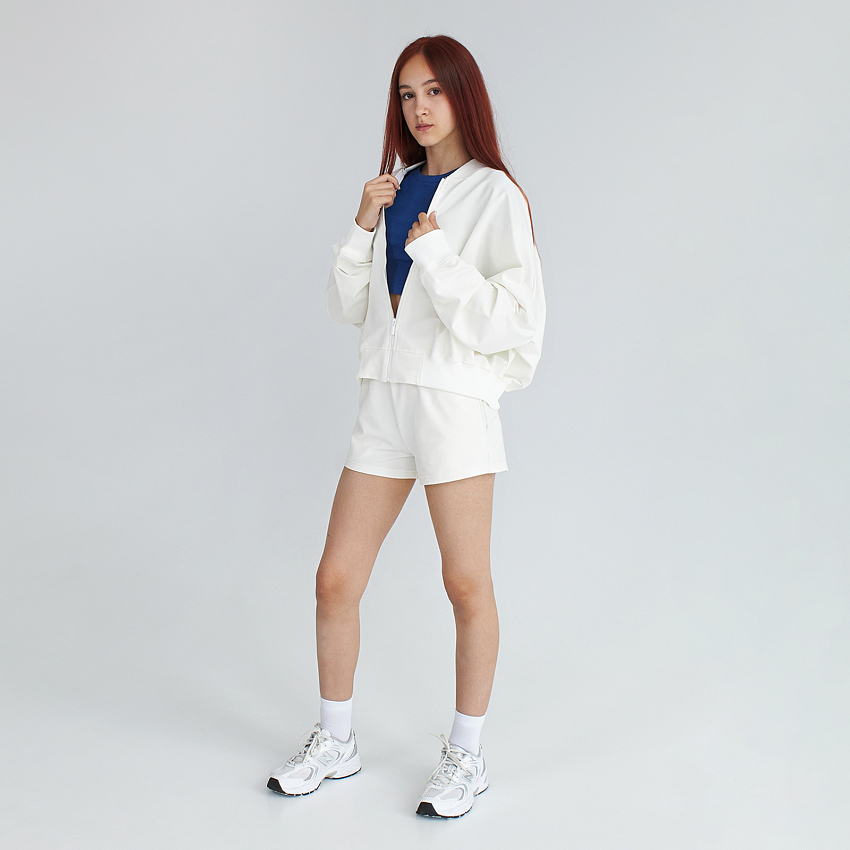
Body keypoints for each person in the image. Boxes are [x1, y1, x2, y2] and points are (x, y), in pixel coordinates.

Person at [267, 34, 545, 819]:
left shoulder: (495, 195)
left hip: (452, 403)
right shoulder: (395, 190)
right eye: (406, 95)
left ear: (463, 95)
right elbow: (347, 307)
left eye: (433, 91)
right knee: (335, 579)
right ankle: (336, 739)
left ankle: (466, 756)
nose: (419, 108)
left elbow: (516, 323)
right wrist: (364, 226)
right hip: (383, 400)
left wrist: (440, 258)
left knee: (465, 583)